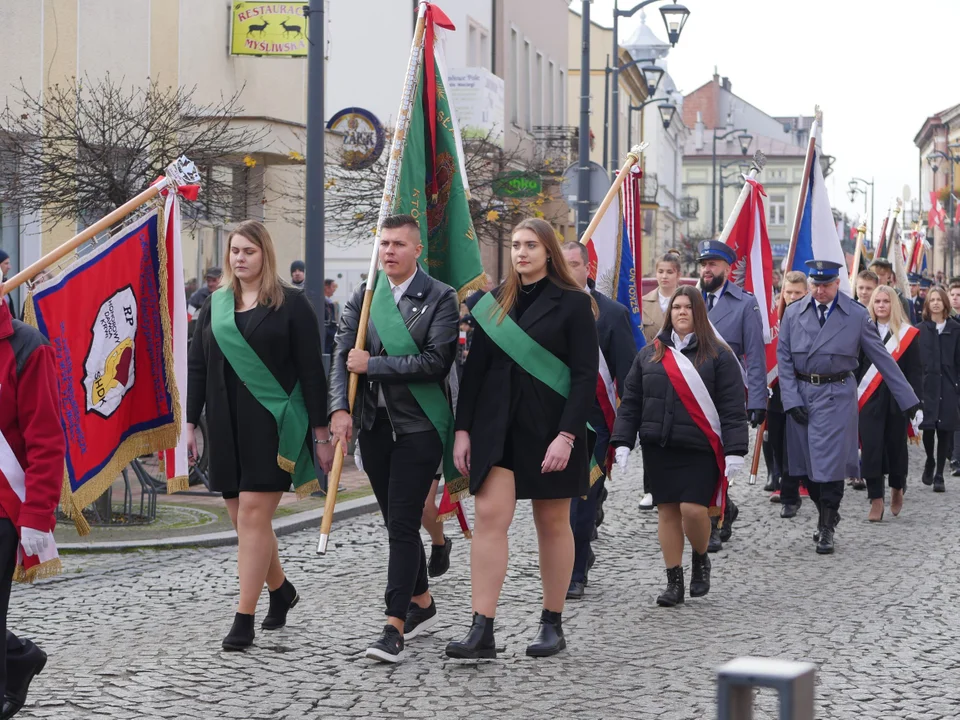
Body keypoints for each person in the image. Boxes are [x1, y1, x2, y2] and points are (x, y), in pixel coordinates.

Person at [446, 218, 598, 659]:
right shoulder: (492, 303)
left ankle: (552, 623)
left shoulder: (573, 304)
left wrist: (567, 436)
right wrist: (462, 430)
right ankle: (482, 629)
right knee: (489, 519)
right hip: (498, 428)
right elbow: (472, 373)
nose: (521, 252)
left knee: (552, 523)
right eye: (515, 245)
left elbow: (585, 377)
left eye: (530, 244)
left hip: (551, 429)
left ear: (548, 251)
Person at [187, 220, 334, 651]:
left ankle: (243, 617)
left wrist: (321, 431)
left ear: (264, 254)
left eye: (248, 251)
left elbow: (312, 370)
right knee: (243, 520)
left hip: (273, 423)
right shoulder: (215, 305)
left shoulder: (291, 304)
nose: (239, 258)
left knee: (252, 515)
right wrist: (191, 423)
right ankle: (282, 590)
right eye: (234, 251)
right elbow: (197, 365)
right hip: (225, 426)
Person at [329, 213, 460, 664]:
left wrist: (374, 367)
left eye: (398, 244)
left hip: (420, 426)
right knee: (396, 523)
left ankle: (393, 627)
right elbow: (341, 357)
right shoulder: (366, 297)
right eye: (383, 243)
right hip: (375, 428)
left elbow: (434, 362)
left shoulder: (442, 297)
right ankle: (422, 601)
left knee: (403, 523)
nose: (388, 251)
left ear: (417, 249)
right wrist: (339, 409)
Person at [611, 286, 747, 606]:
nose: (681, 312)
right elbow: (631, 402)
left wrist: (736, 451)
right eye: (676, 307)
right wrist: (622, 442)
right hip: (661, 445)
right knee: (668, 512)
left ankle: (700, 557)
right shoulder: (650, 353)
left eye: (688, 307)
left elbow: (731, 407)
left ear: (699, 313)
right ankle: (674, 581)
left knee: (694, 510)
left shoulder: (719, 355)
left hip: (700, 447)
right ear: (669, 313)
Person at [777, 259, 919, 555]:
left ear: (838, 284)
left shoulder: (855, 315)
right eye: (815, 284)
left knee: (830, 467)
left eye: (825, 284)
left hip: (837, 397)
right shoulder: (792, 313)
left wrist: (909, 400)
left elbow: (882, 358)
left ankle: (828, 524)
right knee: (807, 469)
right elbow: (785, 361)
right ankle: (824, 511)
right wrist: (790, 401)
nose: (819, 290)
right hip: (802, 395)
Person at [0, 286, 64, 719]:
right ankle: (19, 658)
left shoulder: (27, 347)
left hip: (4, 507)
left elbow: (46, 441)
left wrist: (38, 513)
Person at [561, 241, 636, 600]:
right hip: (551, 419)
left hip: (595, 424)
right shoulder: (544, 308)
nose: (567, 270)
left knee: (582, 500)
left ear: (587, 267)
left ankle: (575, 571)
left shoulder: (611, 313)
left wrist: (626, 431)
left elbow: (627, 376)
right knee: (557, 503)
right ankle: (569, 558)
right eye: (559, 264)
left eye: (573, 264)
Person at [697, 240, 766, 551]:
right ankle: (726, 509)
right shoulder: (690, 300)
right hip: (692, 393)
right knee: (699, 461)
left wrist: (758, 401)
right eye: (703, 264)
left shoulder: (745, 304)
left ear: (727, 268)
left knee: (718, 461)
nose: (706, 269)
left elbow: (755, 355)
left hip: (726, 395)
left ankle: (714, 522)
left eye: (713, 264)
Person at [857, 286, 921, 520]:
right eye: (877, 301)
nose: (881, 305)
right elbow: (857, 365)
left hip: (897, 400)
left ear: (894, 304)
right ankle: (875, 499)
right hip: (869, 399)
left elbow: (915, 372)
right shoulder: (863, 330)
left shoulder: (907, 334)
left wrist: (916, 403)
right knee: (871, 448)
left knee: (896, 448)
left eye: (886, 301)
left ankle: (897, 487)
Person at [638, 251, 682, 510]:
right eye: (660, 271)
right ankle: (650, 488)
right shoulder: (644, 303)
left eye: (669, 272)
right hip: (652, 374)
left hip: (680, 374)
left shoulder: (687, 301)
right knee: (650, 433)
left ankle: (676, 483)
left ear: (678, 274)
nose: (664, 276)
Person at [767, 271, 811, 518]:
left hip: (801, 389)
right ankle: (784, 481)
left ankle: (790, 495)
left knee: (793, 445)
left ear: (806, 292)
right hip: (776, 390)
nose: (792, 297)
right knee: (777, 442)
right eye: (788, 292)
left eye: (797, 292)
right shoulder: (774, 318)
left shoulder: (811, 317)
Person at [917, 287, 960, 494]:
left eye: (938, 299)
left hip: (949, 386)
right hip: (927, 386)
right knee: (928, 427)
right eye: (931, 299)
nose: (935, 303)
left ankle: (940, 475)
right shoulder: (920, 330)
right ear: (927, 305)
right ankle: (930, 460)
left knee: (945, 431)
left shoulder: (955, 329)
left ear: (945, 303)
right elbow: (916, 363)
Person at [869, 258, 913, 323]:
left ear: (889, 276)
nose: (878, 278)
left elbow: (907, 327)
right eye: (875, 274)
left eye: (882, 274)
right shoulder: (865, 297)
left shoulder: (901, 300)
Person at [323, 278, 339, 357]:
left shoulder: (329, 303)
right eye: (333, 287)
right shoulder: (324, 303)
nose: (334, 289)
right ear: (326, 287)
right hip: (327, 339)